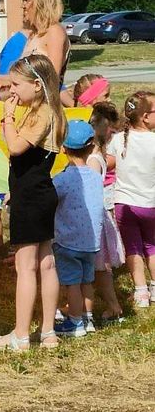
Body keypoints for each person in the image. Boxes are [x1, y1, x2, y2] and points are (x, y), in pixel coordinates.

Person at [0, 53, 67, 350]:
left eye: (16, 86)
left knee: (26, 267)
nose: (12, 92)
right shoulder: (52, 112)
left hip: (32, 197)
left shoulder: (41, 114)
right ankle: (48, 332)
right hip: (40, 192)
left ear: (36, 85)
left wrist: (8, 117)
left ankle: (21, 334)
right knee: (46, 262)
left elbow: (15, 147)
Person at [52, 120, 104, 339]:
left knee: (72, 283)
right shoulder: (95, 176)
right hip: (91, 241)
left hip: (68, 241)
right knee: (86, 282)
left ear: (63, 148)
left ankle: (75, 322)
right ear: (91, 147)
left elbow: (50, 200)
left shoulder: (62, 179)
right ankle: (88, 317)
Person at [0, 0, 71, 102]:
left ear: (41, 2)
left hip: (41, 107)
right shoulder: (34, 34)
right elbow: (21, 77)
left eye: (27, 0)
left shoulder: (54, 31)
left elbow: (51, 78)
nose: (23, 5)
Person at [107, 91, 155, 310]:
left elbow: (106, 164)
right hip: (151, 204)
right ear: (145, 116)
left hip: (124, 204)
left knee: (133, 248)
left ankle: (140, 291)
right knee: (152, 247)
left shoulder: (118, 140)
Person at [88, 101, 125, 324]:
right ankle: (110, 306)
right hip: (98, 217)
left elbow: (90, 190)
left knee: (96, 269)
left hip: (92, 219)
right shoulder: (100, 153)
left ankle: (87, 308)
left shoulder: (93, 159)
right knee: (100, 269)